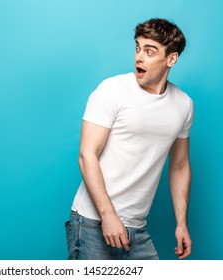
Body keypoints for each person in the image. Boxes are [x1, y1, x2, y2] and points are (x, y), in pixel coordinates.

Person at [65, 18, 194, 260]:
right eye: (137, 47)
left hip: (136, 226)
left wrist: (181, 223)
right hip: (93, 222)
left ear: (171, 59)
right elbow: (86, 155)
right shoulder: (112, 90)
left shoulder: (183, 104)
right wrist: (108, 216)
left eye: (149, 51)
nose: (139, 57)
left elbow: (179, 166)